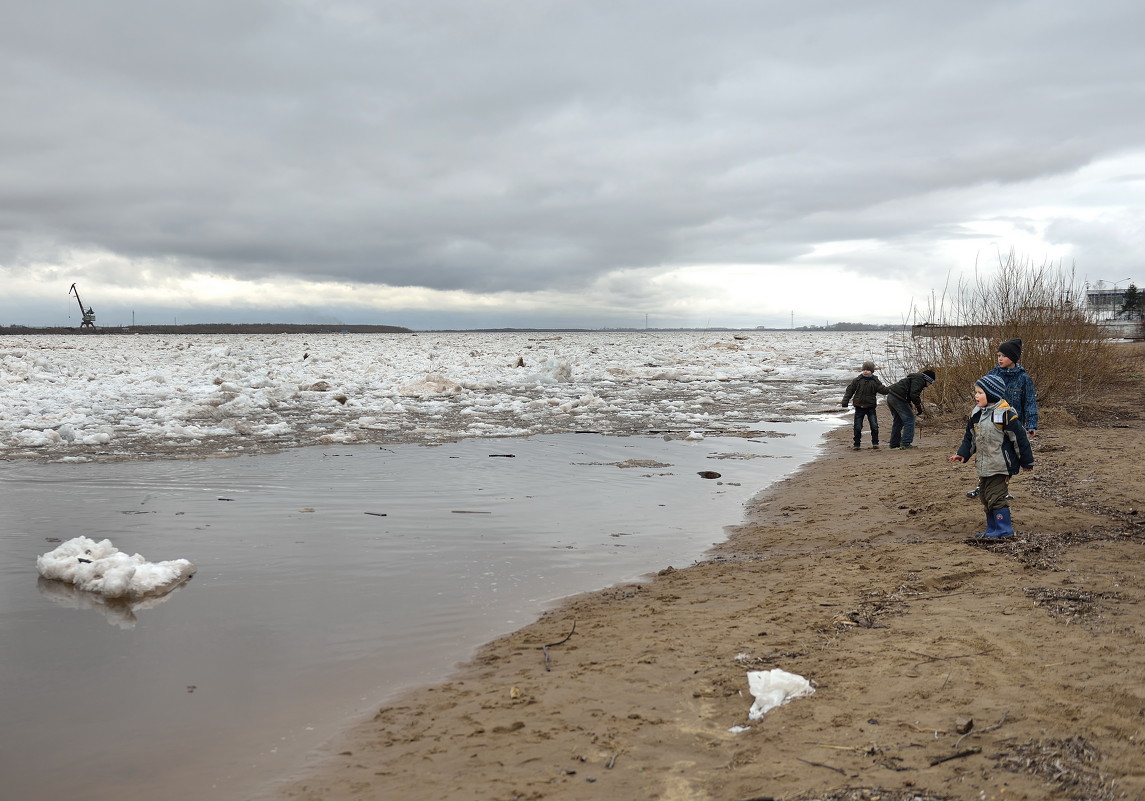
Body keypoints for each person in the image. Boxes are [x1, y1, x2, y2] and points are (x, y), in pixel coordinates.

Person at [949, 373, 1034, 538]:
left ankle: (1004, 529)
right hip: (984, 464)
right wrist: (962, 454)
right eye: (976, 392)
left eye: (980, 392)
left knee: (996, 497)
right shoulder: (977, 415)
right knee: (985, 497)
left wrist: (1027, 461)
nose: (976, 396)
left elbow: (1020, 440)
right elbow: (970, 438)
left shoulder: (1005, 415)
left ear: (992, 394)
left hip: (1001, 465)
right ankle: (992, 529)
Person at [967, 338, 1038, 497]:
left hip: (1013, 424)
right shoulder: (991, 375)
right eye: (998, 355)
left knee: (1008, 457)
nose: (1000, 358)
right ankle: (982, 486)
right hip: (991, 423)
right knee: (987, 452)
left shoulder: (1024, 379)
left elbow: (1030, 402)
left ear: (1013, 357)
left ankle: (1002, 489)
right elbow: (982, 395)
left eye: (1004, 356)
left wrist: (1031, 424)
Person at [882, 368, 936, 449]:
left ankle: (894, 443)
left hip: (891, 397)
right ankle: (906, 443)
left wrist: (911, 405)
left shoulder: (914, 378)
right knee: (910, 420)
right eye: (931, 382)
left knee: (898, 421)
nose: (929, 385)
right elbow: (914, 394)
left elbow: (908, 393)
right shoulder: (920, 380)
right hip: (898, 398)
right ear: (927, 379)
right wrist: (918, 406)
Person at [841, 361, 886, 450]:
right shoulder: (857, 380)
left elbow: (882, 390)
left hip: (870, 407)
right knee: (857, 427)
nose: (865, 371)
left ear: (872, 371)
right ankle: (856, 444)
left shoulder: (875, 381)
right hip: (859, 407)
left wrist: (893, 389)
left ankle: (875, 443)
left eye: (868, 370)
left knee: (874, 426)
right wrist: (845, 401)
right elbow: (850, 390)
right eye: (864, 369)